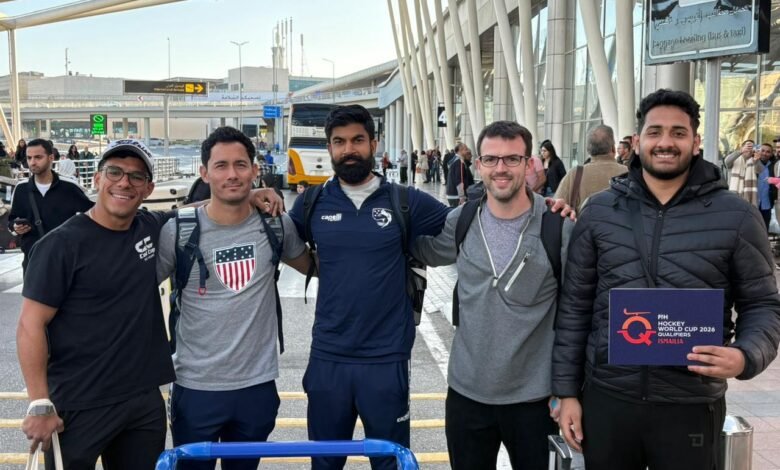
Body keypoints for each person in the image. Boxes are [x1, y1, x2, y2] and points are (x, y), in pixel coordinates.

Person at [552, 89, 780, 470]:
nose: (665, 142)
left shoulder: (736, 217)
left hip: (691, 404)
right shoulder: (600, 212)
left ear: (695, 142)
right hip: (609, 399)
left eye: (678, 132)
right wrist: (566, 392)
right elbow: (575, 307)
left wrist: (745, 356)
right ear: (637, 141)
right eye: (655, 132)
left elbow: (763, 305)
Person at [288, 105, 451, 470]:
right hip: (328, 356)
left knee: (389, 462)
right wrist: (256, 197)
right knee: (325, 463)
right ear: (330, 148)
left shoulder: (405, 201)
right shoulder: (312, 202)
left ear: (374, 144)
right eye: (339, 142)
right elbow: (281, 240)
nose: (349, 149)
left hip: (386, 358)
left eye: (357, 140)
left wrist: (543, 205)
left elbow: (465, 222)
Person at [412, 121, 573, 470]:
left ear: (529, 164)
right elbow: (423, 249)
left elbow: (579, 313)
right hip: (467, 395)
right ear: (479, 165)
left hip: (535, 400)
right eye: (491, 159)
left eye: (512, 159)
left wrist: (569, 390)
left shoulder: (558, 227)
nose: (501, 168)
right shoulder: (461, 221)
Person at [157, 127, 310, 470]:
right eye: (221, 166)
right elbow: (134, 293)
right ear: (204, 173)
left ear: (255, 171)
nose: (232, 174)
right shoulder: (177, 231)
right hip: (195, 387)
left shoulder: (276, 225)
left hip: (257, 386)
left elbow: (317, 268)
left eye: (240, 165)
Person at [17, 139, 175, 470]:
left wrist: (249, 196)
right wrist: (40, 402)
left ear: (148, 189)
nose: (124, 183)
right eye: (114, 172)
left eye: (136, 176)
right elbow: (31, 324)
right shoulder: (60, 245)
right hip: (78, 403)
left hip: (142, 400)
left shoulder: (148, 226)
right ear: (97, 179)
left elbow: (204, 210)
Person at [7, 138, 92, 272]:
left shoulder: (69, 187)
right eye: (29, 158)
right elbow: (12, 220)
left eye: (38, 157)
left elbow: (93, 215)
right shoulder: (21, 188)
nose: (32, 162)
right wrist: (16, 227)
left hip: (65, 261)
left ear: (51, 158)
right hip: (33, 261)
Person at [554, 125, 627, 211]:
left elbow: (557, 205)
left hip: (582, 219)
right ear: (613, 149)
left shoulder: (575, 174)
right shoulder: (627, 172)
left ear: (588, 150)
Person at [754, 142, 776, 230]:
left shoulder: (774, 166)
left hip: (767, 204)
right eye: (762, 150)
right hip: (753, 202)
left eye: (768, 152)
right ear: (758, 151)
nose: (764, 153)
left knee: (764, 229)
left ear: (771, 154)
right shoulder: (752, 163)